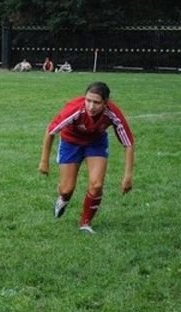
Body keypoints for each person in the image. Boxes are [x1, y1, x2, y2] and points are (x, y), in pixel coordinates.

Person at [38, 81, 135, 233]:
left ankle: (85, 223)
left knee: (96, 185)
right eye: (88, 100)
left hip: (95, 143)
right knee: (66, 189)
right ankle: (62, 198)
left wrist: (127, 176)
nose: (91, 106)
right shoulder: (75, 109)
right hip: (70, 142)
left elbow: (128, 143)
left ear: (106, 103)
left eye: (96, 102)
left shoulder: (112, 113)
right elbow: (51, 131)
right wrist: (44, 162)